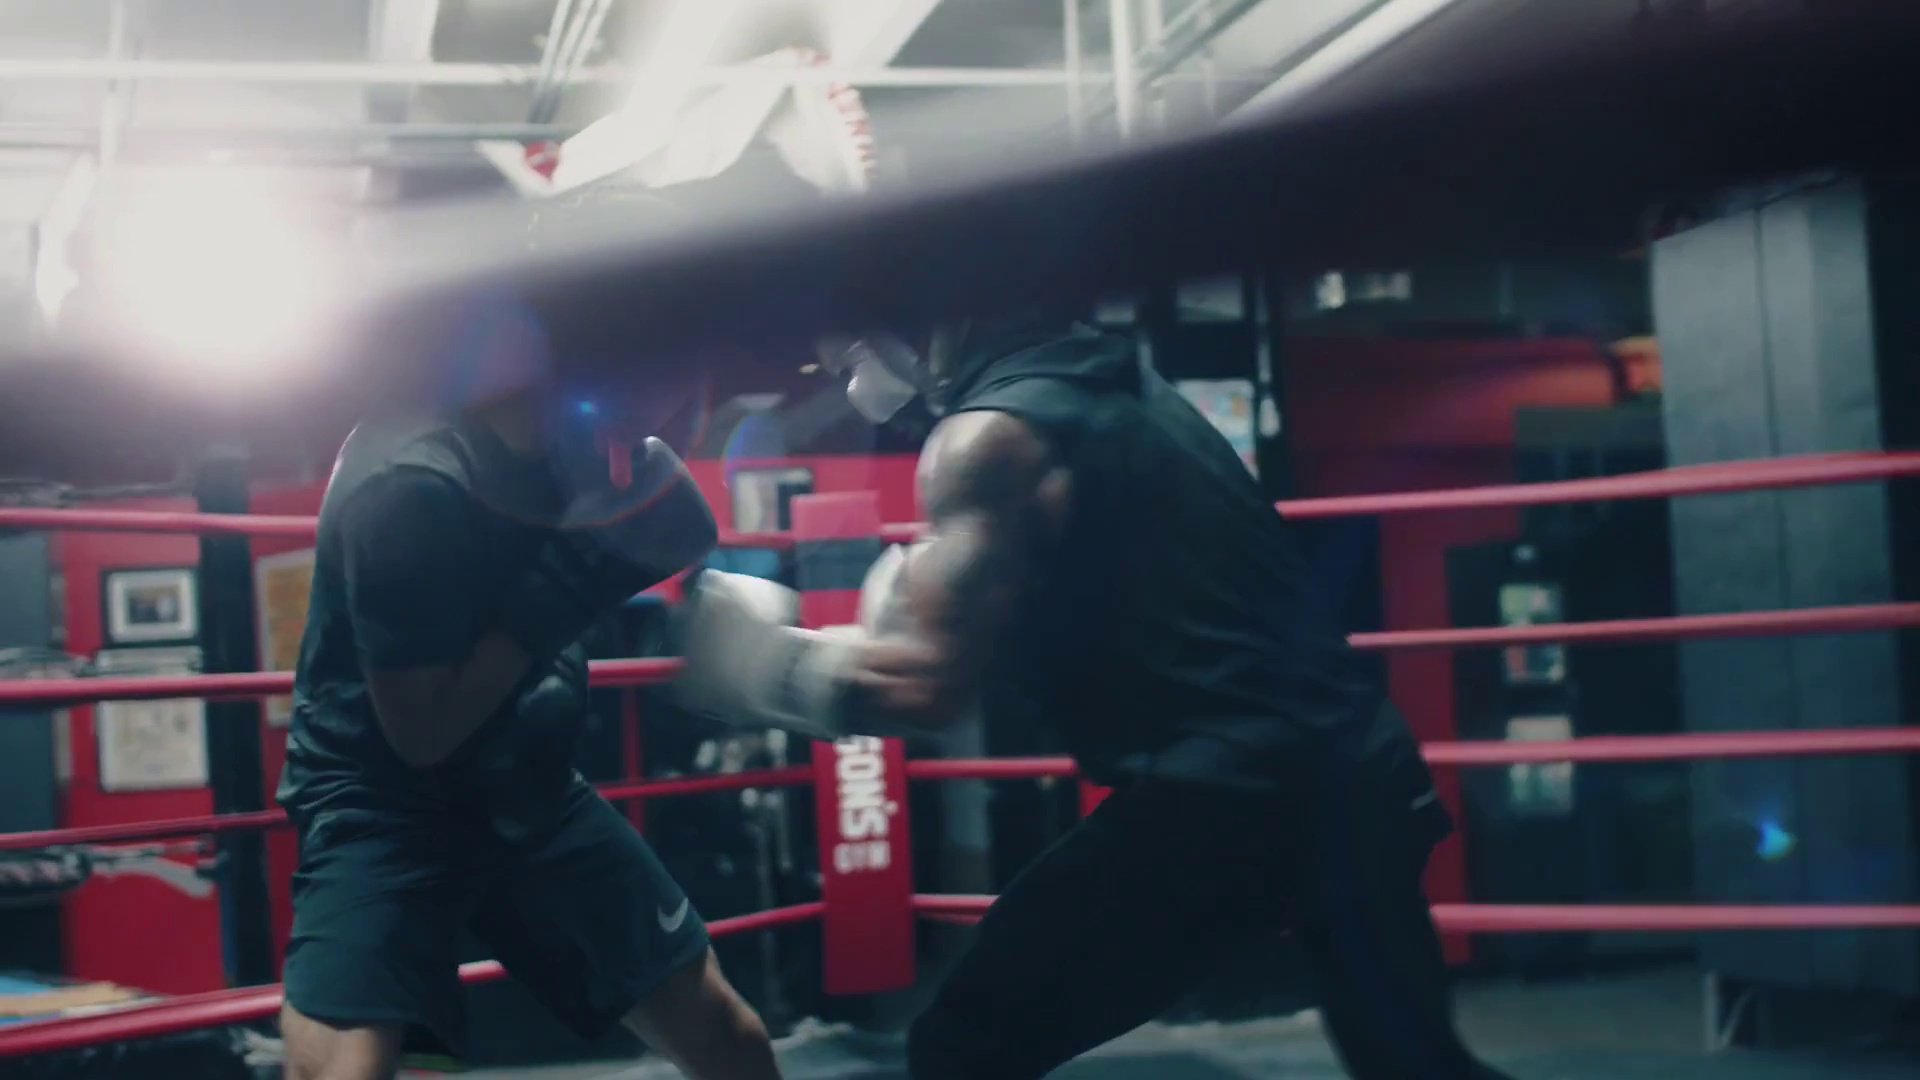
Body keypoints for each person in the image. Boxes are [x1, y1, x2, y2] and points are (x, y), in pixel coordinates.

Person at [672, 318, 1519, 1079]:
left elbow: (921, 684)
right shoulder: (1118, 387)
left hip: (1228, 802)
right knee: (1417, 1068)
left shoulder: (987, 440)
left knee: (966, 1047)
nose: (843, 376)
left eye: (848, 350)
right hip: (1358, 773)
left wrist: (760, 664)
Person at [275, 296, 783, 1080]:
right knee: (347, 1073)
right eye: (674, 364)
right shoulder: (411, 486)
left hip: (528, 786)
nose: (690, 391)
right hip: (384, 803)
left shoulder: (582, 434)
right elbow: (423, 734)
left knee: (730, 1040)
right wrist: (569, 589)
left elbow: (675, 500)